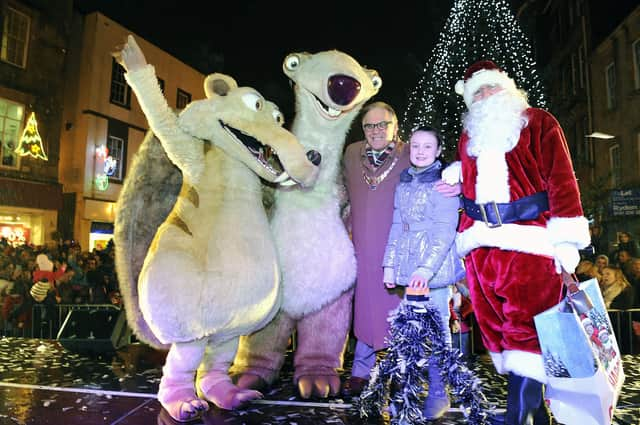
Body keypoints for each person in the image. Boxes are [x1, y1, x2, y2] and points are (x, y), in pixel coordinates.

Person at [444, 60, 591, 423]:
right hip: (480, 248)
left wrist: (566, 240)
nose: (487, 95)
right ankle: (536, 415)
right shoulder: (469, 136)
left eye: (492, 87)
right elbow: (475, 183)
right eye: (478, 92)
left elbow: (562, 179)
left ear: (508, 88)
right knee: (499, 334)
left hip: (530, 244)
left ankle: (515, 417)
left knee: (525, 335)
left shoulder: (539, 122)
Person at [342, 102, 459, 397]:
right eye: (370, 125)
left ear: (396, 128)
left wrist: (456, 183)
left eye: (383, 125)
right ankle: (360, 371)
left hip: (404, 254)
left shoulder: (410, 151)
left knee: (401, 316)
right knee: (365, 311)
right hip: (365, 248)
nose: (376, 131)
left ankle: (404, 374)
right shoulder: (352, 154)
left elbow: (443, 168)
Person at [381, 126, 465, 419]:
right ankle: (410, 391)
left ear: (439, 151)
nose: (420, 151)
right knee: (411, 334)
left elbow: (444, 231)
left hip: (433, 267)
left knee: (438, 333)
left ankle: (440, 392)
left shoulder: (443, 184)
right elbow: (396, 224)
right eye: (415, 145)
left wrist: (426, 268)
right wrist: (389, 263)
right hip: (408, 264)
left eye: (427, 146)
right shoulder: (404, 182)